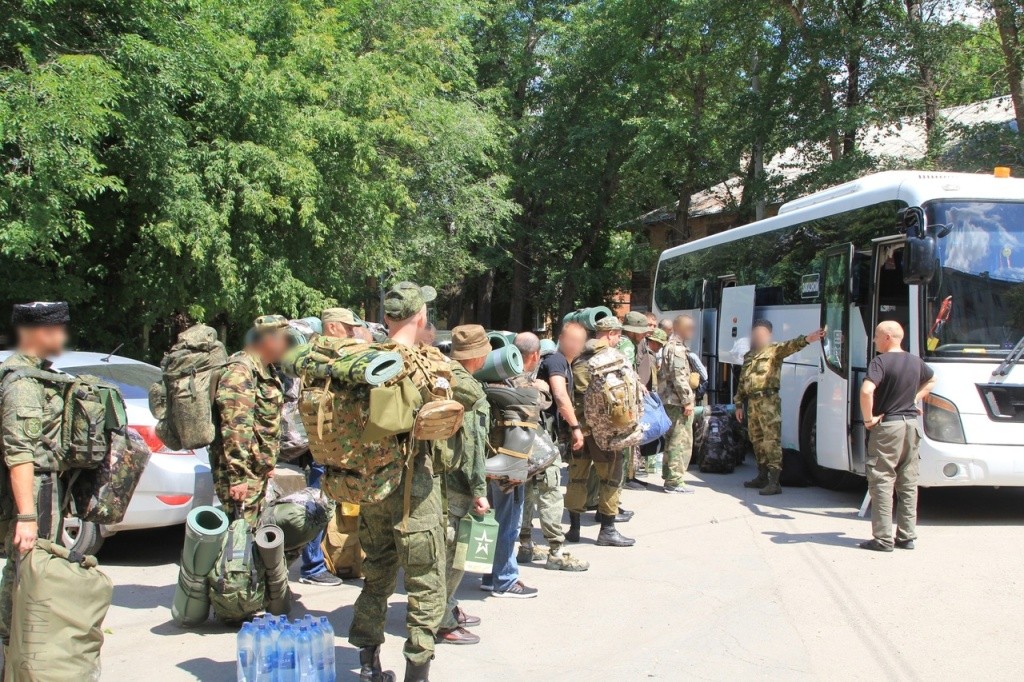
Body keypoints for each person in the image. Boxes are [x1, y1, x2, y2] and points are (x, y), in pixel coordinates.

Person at [350, 281, 446, 682]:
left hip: (372, 492)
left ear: (386, 317)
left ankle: (369, 667)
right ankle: (416, 675)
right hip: (415, 494)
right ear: (421, 316)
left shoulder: (359, 362)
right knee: (425, 585)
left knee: (375, 578)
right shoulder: (426, 364)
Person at [0, 301, 72, 645]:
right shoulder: (22, 383)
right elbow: (19, 454)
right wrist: (27, 516)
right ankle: (15, 656)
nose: (63, 336)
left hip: (47, 488)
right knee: (25, 577)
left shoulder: (40, 374)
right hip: (35, 493)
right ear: (40, 333)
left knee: (39, 576)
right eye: (59, 329)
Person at [297, 308, 368, 587]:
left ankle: (334, 559)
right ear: (333, 327)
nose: (352, 333)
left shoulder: (324, 355)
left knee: (335, 505)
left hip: (338, 444)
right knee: (318, 503)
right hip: (326, 446)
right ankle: (312, 566)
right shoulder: (322, 356)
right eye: (348, 328)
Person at [858, 322, 936, 552]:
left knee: (882, 480)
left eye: (876, 337)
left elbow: (866, 391)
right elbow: (932, 380)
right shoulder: (915, 361)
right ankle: (907, 536)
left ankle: (882, 539)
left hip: (888, 427)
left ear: (888, 337)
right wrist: (914, 399)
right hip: (911, 426)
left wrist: (868, 419)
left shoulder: (879, 362)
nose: (874, 341)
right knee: (908, 481)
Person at [437, 325, 491, 644]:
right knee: (453, 555)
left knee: (445, 553)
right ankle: (442, 622)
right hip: (455, 485)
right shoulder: (469, 388)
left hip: (435, 479)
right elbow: (473, 444)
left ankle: (449, 606)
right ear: (479, 354)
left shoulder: (444, 373)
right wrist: (479, 491)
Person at [519, 331, 589, 572]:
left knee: (527, 491)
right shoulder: (557, 360)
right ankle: (556, 552)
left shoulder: (518, 373)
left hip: (523, 442)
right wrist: (576, 427)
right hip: (541, 442)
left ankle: (525, 545)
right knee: (550, 490)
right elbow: (559, 394)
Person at [481, 332, 543, 598]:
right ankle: (505, 579)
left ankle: (489, 574)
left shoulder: (486, 380)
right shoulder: (522, 384)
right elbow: (539, 403)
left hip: (488, 457)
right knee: (508, 523)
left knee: (491, 519)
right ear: (535, 356)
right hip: (509, 461)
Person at [211, 314, 289, 524]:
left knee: (250, 533)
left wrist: (268, 463)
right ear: (268, 340)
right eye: (285, 339)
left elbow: (264, 423)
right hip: (242, 475)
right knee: (237, 542)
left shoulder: (266, 369)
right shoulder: (241, 371)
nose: (287, 345)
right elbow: (236, 429)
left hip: (256, 472)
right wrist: (237, 478)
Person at [565, 317, 636, 547]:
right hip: (605, 432)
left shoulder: (578, 357)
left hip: (579, 429)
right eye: (618, 335)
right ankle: (607, 530)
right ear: (612, 333)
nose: (618, 340)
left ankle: (574, 530)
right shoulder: (612, 359)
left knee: (577, 477)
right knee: (611, 478)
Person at [734, 320, 826, 495]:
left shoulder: (775, 350)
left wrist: (808, 338)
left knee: (771, 441)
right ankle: (761, 476)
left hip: (768, 402)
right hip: (752, 403)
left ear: (768, 335)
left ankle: (774, 481)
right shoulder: (749, 356)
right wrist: (739, 403)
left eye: (761, 333)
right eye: (755, 334)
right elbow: (742, 382)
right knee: (756, 440)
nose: (757, 337)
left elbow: (792, 345)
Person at [659, 316, 697, 494]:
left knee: (672, 439)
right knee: (679, 440)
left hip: (671, 400)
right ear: (680, 328)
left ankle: (670, 476)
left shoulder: (670, 346)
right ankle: (674, 481)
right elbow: (679, 377)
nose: (692, 330)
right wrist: (687, 400)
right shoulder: (677, 349)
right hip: (677, 402)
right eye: (689, 327)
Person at [622, 311, 656, 490]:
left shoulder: (629, 343)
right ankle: (626, 478)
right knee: (628, 442)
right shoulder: (627, 345)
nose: (645, 333)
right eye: (642, 330)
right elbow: (627, 371)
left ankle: (629, 476)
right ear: (632, 330)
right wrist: (638, 385)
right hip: (626, 402)